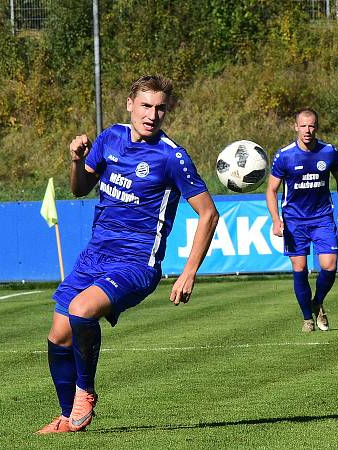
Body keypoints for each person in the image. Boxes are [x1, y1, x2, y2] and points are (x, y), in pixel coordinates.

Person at [37, 74, 219, 434]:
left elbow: (209, 213)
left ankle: (85, 394)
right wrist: (76, 161)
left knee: (81, 311)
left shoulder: (172, 157)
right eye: (147, 105)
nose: (153, 114)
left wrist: (188, 272)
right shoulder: (110, 138)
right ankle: (68, 419)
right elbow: (80, 189)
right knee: (58, 335)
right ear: (130, 104)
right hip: (94, 255)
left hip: (137, 262)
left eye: (161, 108)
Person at [265, 108, 338, 332]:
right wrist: (276, 220)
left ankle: (318, 301)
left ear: (317, 127)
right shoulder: (284, 156)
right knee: (300, 268)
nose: (307, 130)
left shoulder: (329, 152)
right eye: (303, 126)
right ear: (295, 127)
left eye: (311, 125)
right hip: (294, 221)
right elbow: (271, 190)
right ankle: (307, 319)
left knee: (329, 266)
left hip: (322, 217)